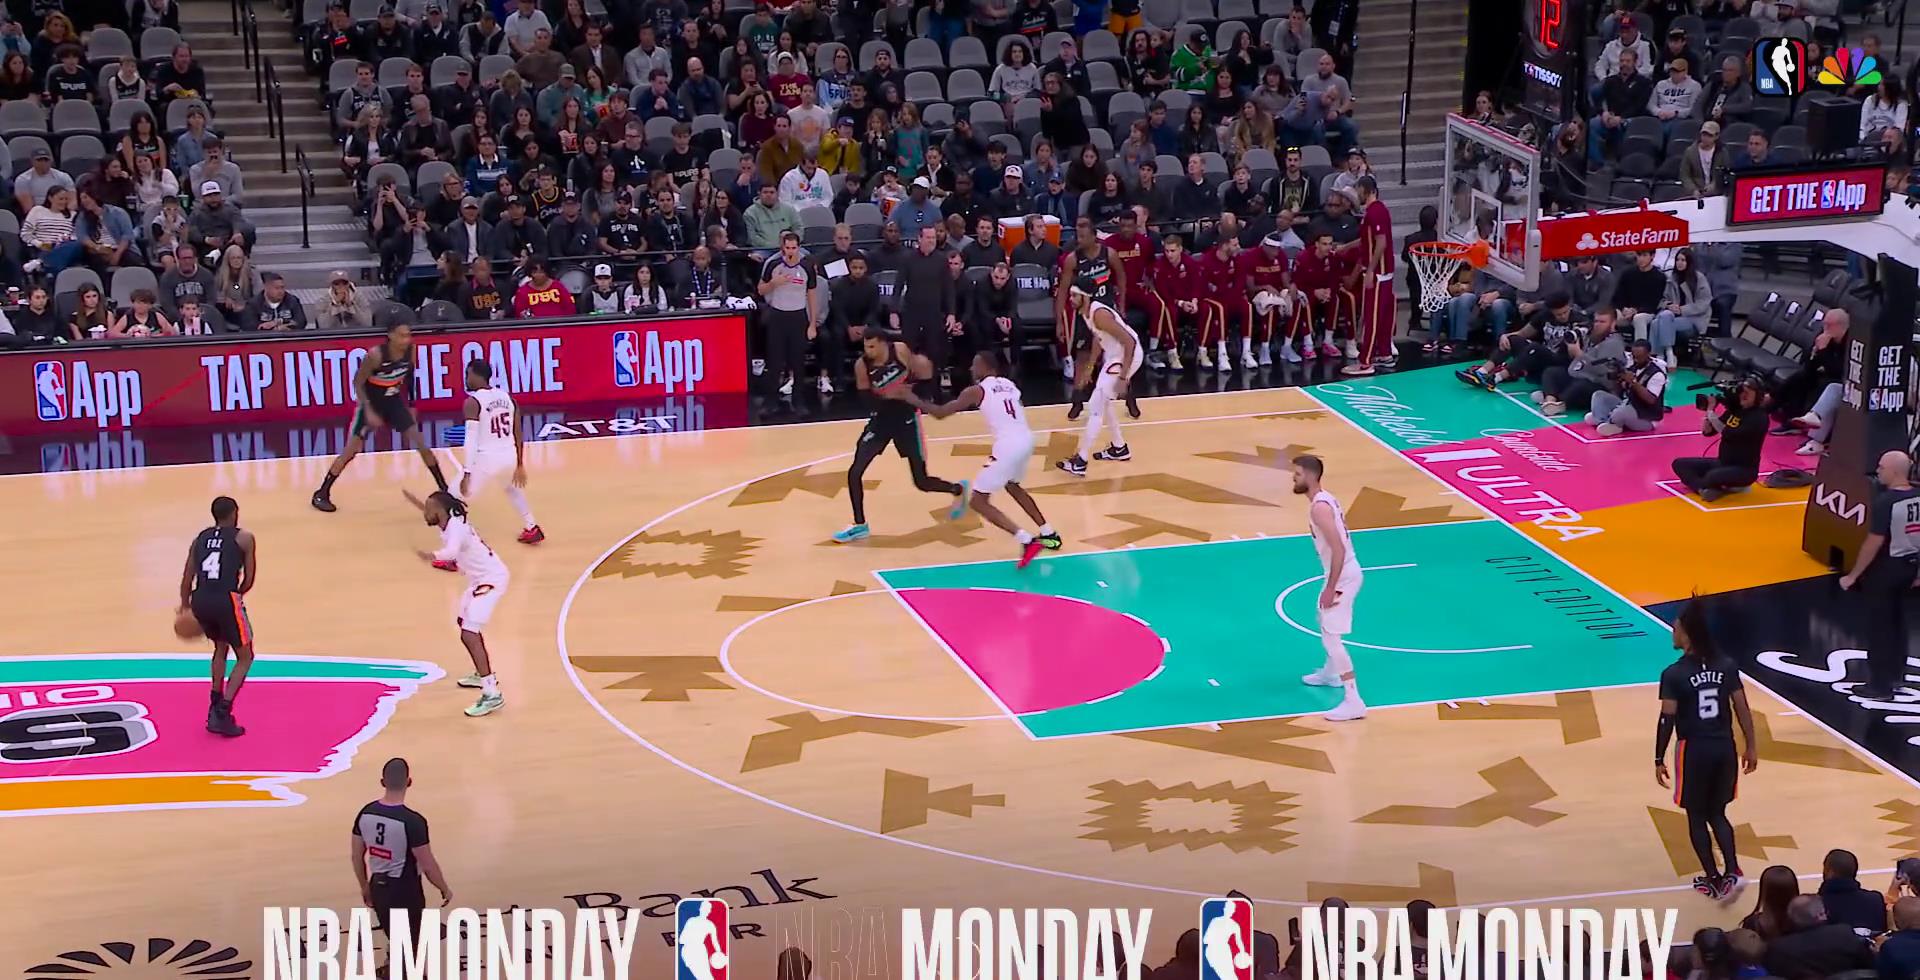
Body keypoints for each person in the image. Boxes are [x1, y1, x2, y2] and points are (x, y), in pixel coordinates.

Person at [885, 351, 1062, 567]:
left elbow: (940, 412)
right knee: (1012, 485)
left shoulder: (976, 390)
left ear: (988, 367)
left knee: (978, 501)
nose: (971, 368)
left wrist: (911, 399)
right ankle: (1049, 532)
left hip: (1008, 446)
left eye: (975, 364)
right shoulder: (1010, 384)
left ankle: (1026, 540)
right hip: (1027, 440)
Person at [1656, 597, 1759, 899]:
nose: (1673, 632)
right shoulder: (1726, 665)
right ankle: (1733, 870)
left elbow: (1666, 719)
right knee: (1718, 812)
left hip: (1694, 750)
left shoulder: (1674, 674)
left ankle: (1713, 879)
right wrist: (1751, 746)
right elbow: (1742, 708)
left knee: (1696, 816)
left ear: (1688, 634)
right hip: (1724, 748)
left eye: (1676, 628)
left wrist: (1658, 757)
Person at [830, 328, 968, 543]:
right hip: (881, 422)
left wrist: (913, 394)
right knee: (854, 472)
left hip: (907, 421)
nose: (868, 350)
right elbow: (865, 399)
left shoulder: (900, 350)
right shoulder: (862, 365)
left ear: (883, 343)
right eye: (865, 346)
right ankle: (860, 525)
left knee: (921, 482)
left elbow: (923, 376)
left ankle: (957, 489)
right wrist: (887, 396)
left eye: (872, 346)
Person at [312, 324, 451, 513]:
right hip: (371, 403)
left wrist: (411, 405)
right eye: (402, 336)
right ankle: (322, 492)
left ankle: (445, 490)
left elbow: (410, 375)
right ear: (391, 335)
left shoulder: (410, 350)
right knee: (351, 451)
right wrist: (368, 410)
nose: (406, 339)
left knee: (421, 443)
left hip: (393, 401)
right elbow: (358, 383)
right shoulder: (375, 355)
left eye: (408, 335)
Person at [406, 490, 510, 716]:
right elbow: (436, 517)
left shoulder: (456, 529)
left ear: (439, 511)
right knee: (463, 622)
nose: (425, 514)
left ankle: (492, 693)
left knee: (469, 634)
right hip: (478, 580)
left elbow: (451, 552)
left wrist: (431, 555)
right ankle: (481, 673)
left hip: (491, 579)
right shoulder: (450, 520)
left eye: (428, 509)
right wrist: (422, 505)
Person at [351, 758, 452, 961]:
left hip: (378, 887)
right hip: (405, 891)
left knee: (395, 938)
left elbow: (356, 856)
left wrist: (364, 886)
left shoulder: (365, 813)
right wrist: (444, 888)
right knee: (411, 946)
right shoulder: (413, 821)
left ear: (382, 782)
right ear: (409, 782)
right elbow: (428, 865)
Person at [1838, 451, 1920, 699]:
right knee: (1898, 623)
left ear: (1894, 471)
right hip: (1910, 567)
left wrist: (1853, 575)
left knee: (1880, 628)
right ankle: (1896, 675)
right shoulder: (1917, 496)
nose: (1878, 471)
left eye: (1881, 467)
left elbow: (1873, 543)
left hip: (1886, 570)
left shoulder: (1886, 502)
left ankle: (1880, 686)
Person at [1293, 454, 1366, 722]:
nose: (1294, 479)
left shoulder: (1319, 508)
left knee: (1331, 637)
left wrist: (1331, 587)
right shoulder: (1325, 499)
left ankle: (1353, 700)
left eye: (1298, 474)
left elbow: (1338, 549)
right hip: (1342, 572)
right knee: (1322, 620)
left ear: (1311, 476)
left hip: (1343, 575)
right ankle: (1330, 673)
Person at [177, 495, 257, 738]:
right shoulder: (244, 538)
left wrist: (185, 606)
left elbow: (187, 577)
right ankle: (223, 711)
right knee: (245, 656)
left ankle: (214, 701)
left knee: (220, 648)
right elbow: (249, 579)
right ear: (234, 513)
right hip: (226, 599)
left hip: (201, 598)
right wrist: (236, 596)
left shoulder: (200, 538)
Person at [454, 359, 543, 545]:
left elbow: (470, 440)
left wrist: (467, 472)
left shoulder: (472, 402)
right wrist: (519, 463)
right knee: (512, 490)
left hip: (486, 459)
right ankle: (531, 526)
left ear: (477, 375)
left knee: (453, 498)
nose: (466, 378)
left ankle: (454, 548)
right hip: (509, 456)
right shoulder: (507, 398)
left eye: (468, 374)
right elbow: (518, 432)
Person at [1057, 284, 1142, 477]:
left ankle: (1080, 460)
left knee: (1096, 405)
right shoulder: (1087, 313)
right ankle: (1119, 448)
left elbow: (1129, 342)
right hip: (1114, 356)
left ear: (1085, 296)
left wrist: (1123, 377)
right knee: (1104, 402)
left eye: (1074, 295)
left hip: (1127, 356)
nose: (1071, 299)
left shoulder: (1100, 314)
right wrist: (1089, 369)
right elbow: (1098, 338)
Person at [1671, 377, 1766, 501]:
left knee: (1712, 476)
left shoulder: (1759, 418)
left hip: (1744, 470)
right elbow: (1708, 432)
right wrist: (1708, 411)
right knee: (1679, 464)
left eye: (1747, 393)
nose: (1743, 395)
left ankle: (1706, 486)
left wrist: (1711, 412)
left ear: (1757, 396)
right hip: (1722, 463)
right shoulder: (1734, 411)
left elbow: (1727, 433)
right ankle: (1703, 489)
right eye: (1742, 392)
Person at [758, 231, 826, 401]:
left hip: (798, 316)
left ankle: (798, 401)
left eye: (794, 248)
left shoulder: (807, 267)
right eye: (787, 248)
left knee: (797, 361)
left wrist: (812, 324)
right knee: (775, 360)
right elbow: (760, 290)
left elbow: (812, 296)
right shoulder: (773, 265)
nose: (790, 251)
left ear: (798, 248)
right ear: (783, 248)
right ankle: (771, 402)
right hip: (777, 315)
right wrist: (773, 283)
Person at [1339, 176, 1395, 375]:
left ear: (1366, 190)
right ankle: (1385, 354)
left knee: (1371, 317)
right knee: (1383, 316)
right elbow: (1366, 239)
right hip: (1383, 272)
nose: (1357, 194)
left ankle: (1365, 362)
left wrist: (1370, 270)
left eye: (1358, 190)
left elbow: (1381, 243)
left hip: (1378, 273)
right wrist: (1346, 247)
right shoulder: (1375, 211)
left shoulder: (1375, 212)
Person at [1586, 338, 1667, 436]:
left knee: (1621, 413)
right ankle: (1606, 421)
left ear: (1648, 354)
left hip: (1647, 417)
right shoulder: (1633, 368)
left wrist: (1633, 382)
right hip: (1629, 405)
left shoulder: (1657, 374)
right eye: (1634, 357)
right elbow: (1621, 392)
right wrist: (1619, 380)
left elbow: (1651, 399)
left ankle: (1610, 420)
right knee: (1599, 395)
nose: (1636, 360)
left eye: (1639, 357)